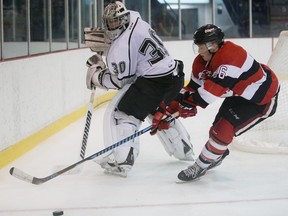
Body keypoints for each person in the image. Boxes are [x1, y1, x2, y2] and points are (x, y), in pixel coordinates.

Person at [152, 24, 280, 182]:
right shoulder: (201, 62)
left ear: (212, 45)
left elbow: (207, 95)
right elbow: (192, 88)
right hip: (239, 94)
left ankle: (200, 166)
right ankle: (217, 155)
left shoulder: (232, 57)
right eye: (197, 46)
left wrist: (187, 106)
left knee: (223, 130)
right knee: (216, 130)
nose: (198, 51)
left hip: (261, 99)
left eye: (201, 47)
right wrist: (168, 111)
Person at [85, 1, 194, 176]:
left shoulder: (120, 47)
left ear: (123, 18)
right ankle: (184, 149)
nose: (112, 25)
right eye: (110, 22)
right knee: (157, 111)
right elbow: (135, 52)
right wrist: (110, 47)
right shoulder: (137, 20)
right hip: (174, 75)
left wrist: (96, 75)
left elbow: (122, 81)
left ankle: (123, 162)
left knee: (124, 114)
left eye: (115, 21)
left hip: (155, 83)